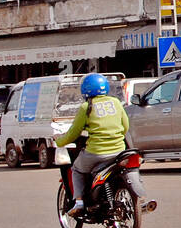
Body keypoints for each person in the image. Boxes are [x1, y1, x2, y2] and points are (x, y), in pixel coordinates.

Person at [59, 73, 156, 218]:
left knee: (76, 170)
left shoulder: (86, 107)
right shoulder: (116, 102)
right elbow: (125, 126)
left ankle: (78, 202)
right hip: (119, 152)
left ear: (86, 90)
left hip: (96, 153)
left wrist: (59, 141)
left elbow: (73, 133)